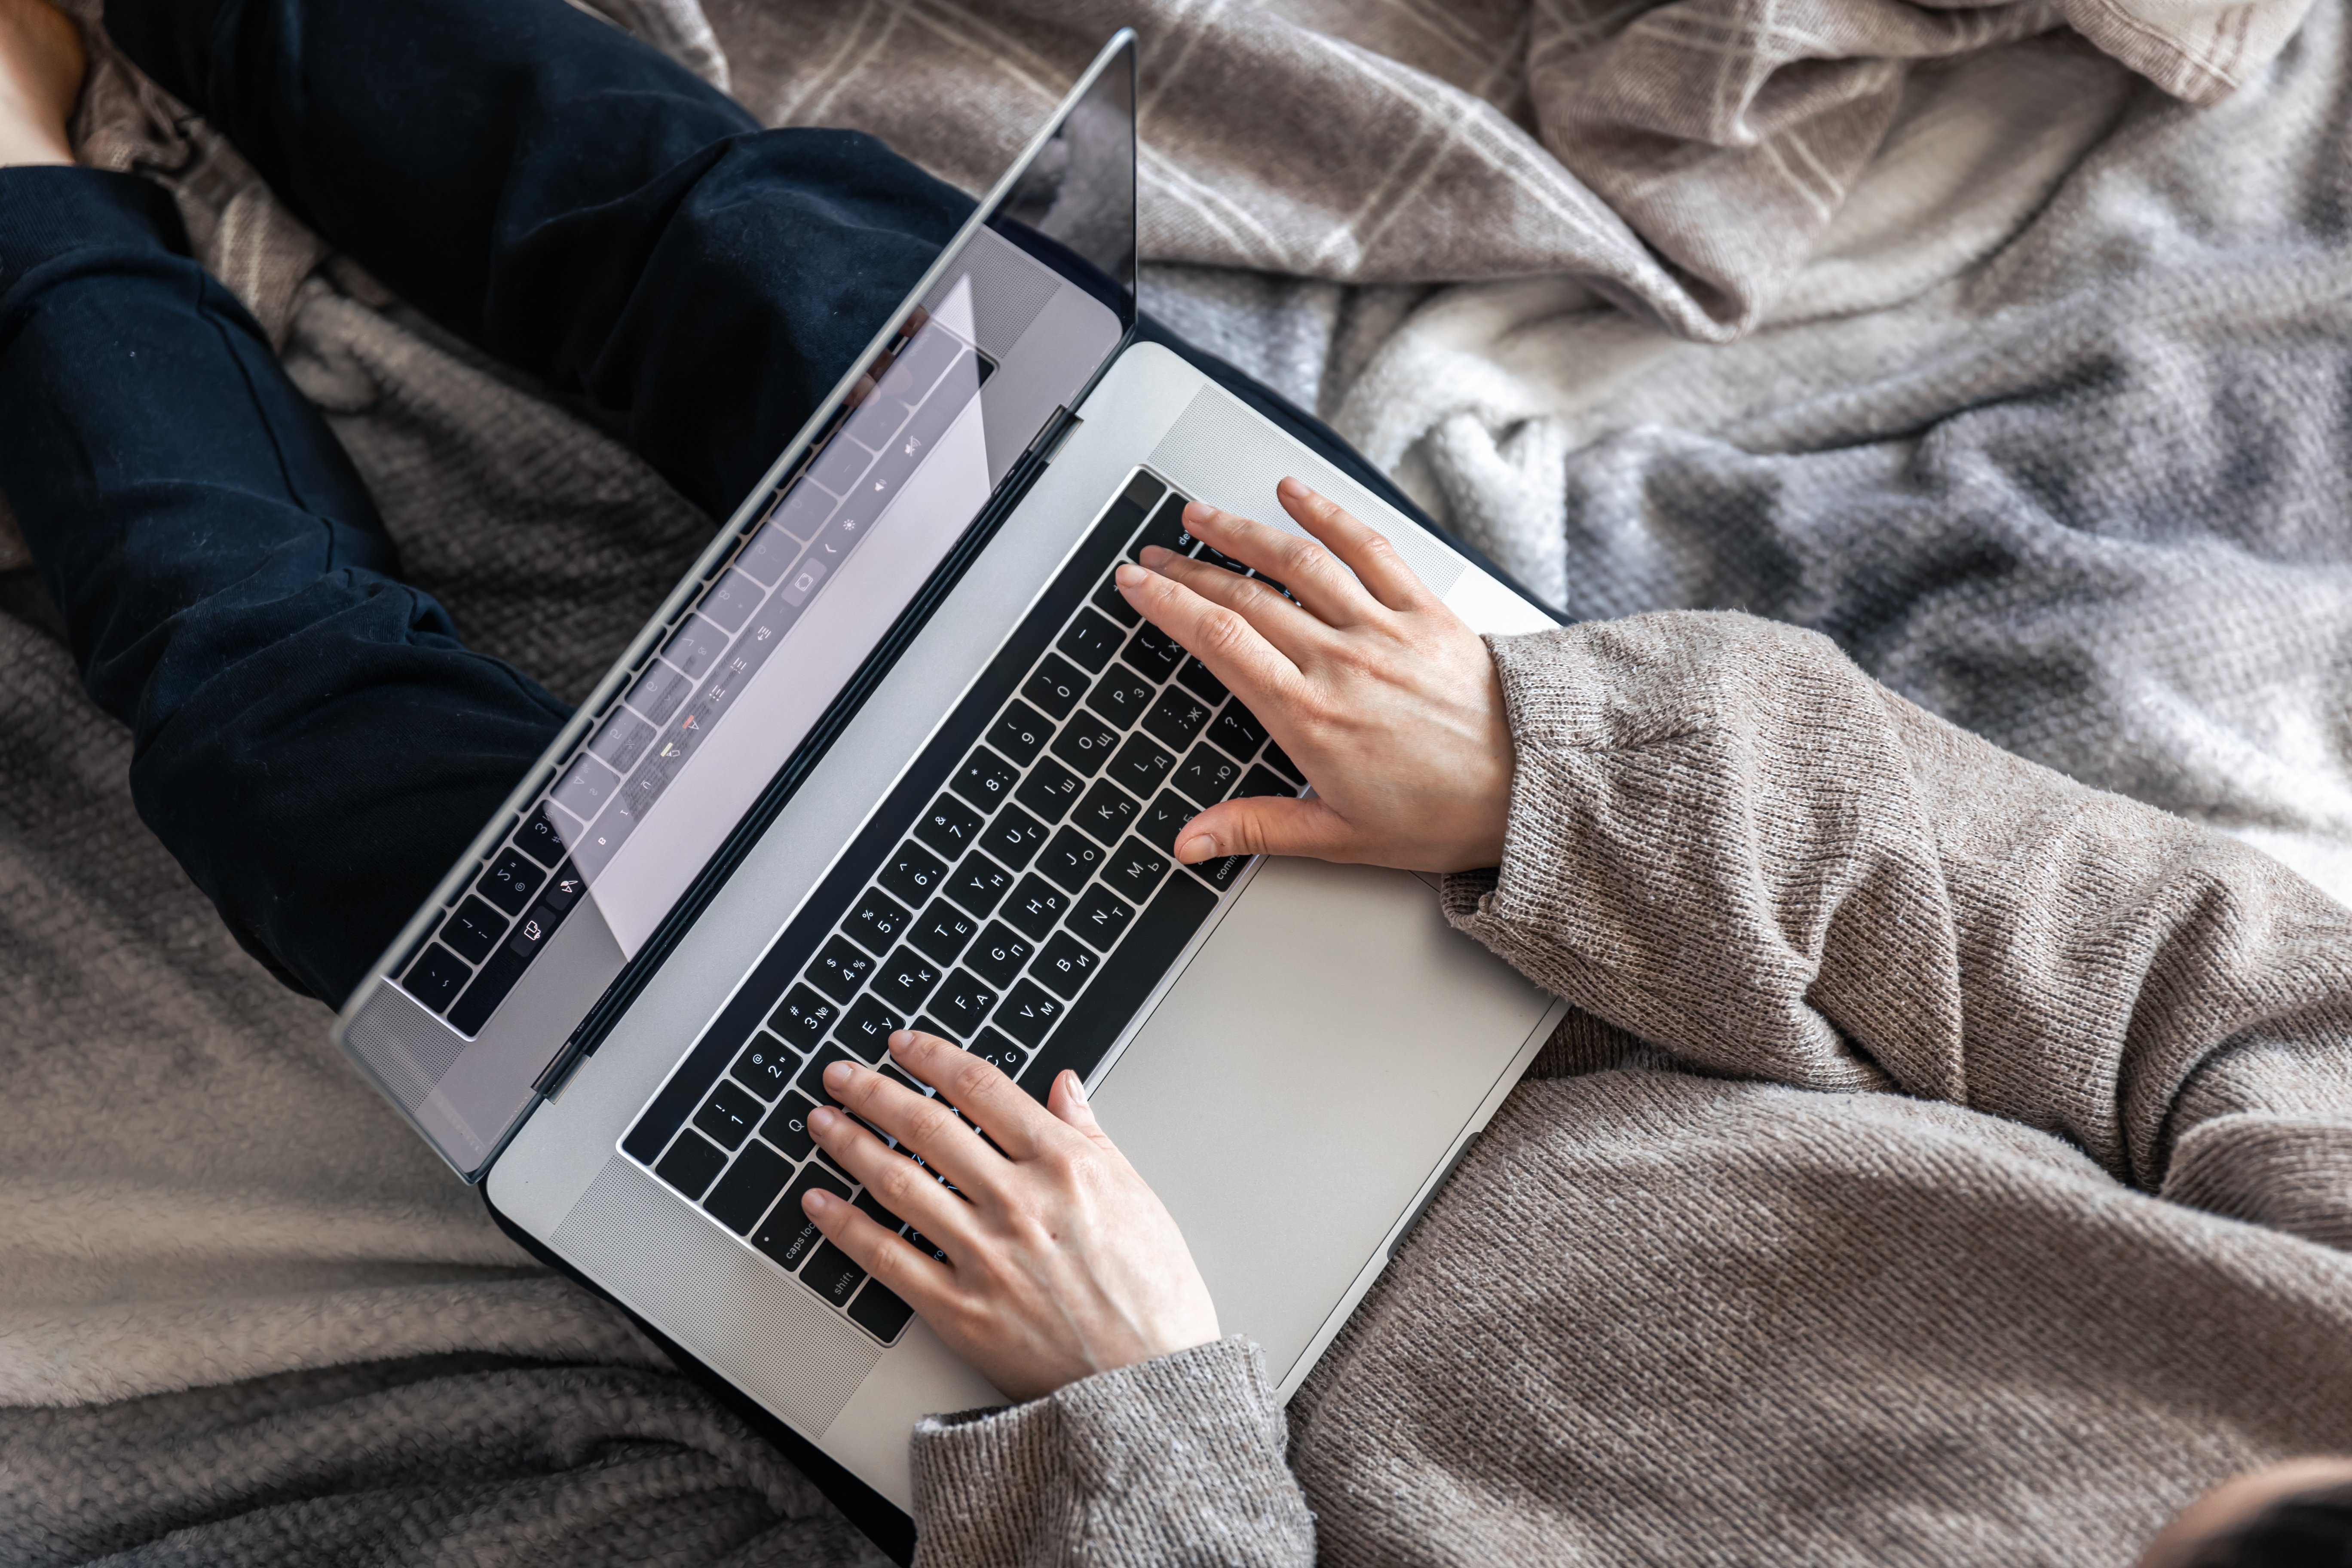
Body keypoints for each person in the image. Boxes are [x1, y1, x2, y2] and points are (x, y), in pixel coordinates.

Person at [3, 0, 2349, 1564]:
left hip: (1093, 1314)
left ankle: (29, 219)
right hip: (1529, 906)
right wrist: (1551, 768)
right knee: (802, 290)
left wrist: (1125, 1418)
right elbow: (2179, 970)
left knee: (295, 743)